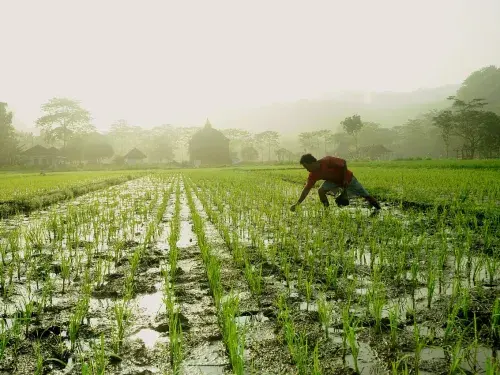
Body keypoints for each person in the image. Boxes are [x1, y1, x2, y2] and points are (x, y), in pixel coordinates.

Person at [290, 154, 381, 211]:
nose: (306, 170)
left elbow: (343, 163)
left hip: (348, 178)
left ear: (312, 162)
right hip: (333, 181)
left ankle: (378, 208)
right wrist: (297, 204)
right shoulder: (313, 175)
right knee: (321, 191)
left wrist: (345, 179)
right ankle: (327, 210)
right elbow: (306, 190)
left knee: (365, 195)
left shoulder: (327, 161)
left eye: (306, 167)